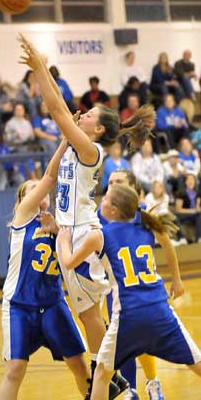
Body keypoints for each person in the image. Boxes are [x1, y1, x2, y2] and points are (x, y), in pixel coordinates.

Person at [19, 34, 155, 399]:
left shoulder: (90, 149)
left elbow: (58, 112)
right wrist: (55, 221)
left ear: (96, 130)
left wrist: (40, 69)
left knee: (89, 314)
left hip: (80, 235)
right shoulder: (76, 148)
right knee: (89, 312)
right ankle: (113, 377)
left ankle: (113, 379)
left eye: (91, 114)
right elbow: (61, 111)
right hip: (71, 229)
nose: (84, 113)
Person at [58, 183, 201, 400]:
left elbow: (68, 262)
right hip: (159, 309)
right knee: (196, 363)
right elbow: (169, 246)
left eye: (105, 198)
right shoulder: (147, 227)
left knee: (102, 374)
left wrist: (63, 241)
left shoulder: (100, 236)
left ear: (113, 210)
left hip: (129, 314)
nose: (101, 200)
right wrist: (176, 279)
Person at [0, 140, 90, 400]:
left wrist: (59, 232)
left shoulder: (61, 226)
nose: (40, 196)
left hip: (53, 304)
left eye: (42, 193)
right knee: (15, 368)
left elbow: (74, 261)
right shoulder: (22, 219)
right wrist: (65, 141)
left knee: (79, 365)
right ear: (23, 201)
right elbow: (50, 177)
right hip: (19, 305)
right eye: (33, 191)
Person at [100, 170, 166, 400]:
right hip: (113, 287)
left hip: (141, 286)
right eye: (109, 182)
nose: (113, 186)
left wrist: (176, 278)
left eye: (119, 182)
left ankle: (153, 381)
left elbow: (165, 239)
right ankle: (131, 389)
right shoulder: (102, 213)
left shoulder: (143, 214)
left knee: (144, 337)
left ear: (131, 187)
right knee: (122, 339)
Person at [175, 173, 201, 243]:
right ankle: (181, 238)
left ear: (195, 182)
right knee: (175, 216)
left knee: (200, 216)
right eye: (188, 179)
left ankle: (198, 239)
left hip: (195, 215)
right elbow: (178, 209)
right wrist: (192, 211)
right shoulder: (181, 192)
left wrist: (198, 209)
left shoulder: (198, 192)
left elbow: (198, 207)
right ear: (185, 182)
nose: (190, 181)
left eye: (192, 179)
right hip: (184, 215)